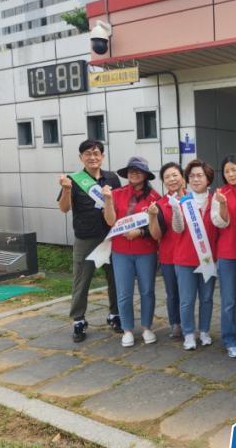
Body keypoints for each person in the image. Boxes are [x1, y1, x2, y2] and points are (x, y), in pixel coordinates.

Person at [57, 139, 122, 343]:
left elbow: (119, 205)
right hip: (85, 238)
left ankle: (115, 314)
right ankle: (78, 320)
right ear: (81, 157)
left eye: (96, 153)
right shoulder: (73, 180)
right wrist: (66, 190)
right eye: (88, 154)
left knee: (115, 278)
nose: (92, 157)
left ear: (102, 156)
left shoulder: (112, 178)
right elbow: (64, 208)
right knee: (81, 280)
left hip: (110, 236)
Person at [102, 156, 161, 347]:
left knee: (147, 291)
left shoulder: (155, 198)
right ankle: (127, 329)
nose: (134, 173)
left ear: (146, 175)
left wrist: (141, 232)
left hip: (146, 251)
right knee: (124, 292)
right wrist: (108, 200)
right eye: (131, 170)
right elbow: (110, 221)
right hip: (120, 251)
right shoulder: (116, 194)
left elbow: (158, 229)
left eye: (139, 170)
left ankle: (146, 327)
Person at [167, 160, 218, 351]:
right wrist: (175, 210)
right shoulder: (182, 201)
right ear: (187, 180)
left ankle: (204, 331)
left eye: (200, 175)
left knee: (206, 298)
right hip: (185, 259)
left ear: (208, 179)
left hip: (208, 258)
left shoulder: (216, 200)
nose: (196, 179)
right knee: (187, 300)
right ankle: (188, 333)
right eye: (192, 176)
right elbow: (178, 228)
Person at [212, 154, 236, 358]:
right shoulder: (220, 194)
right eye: (227, 171)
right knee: (229, 300)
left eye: (234, 169)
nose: (231, 174)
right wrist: (223, 204)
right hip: (228, 254)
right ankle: (229, 339)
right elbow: (220, 222)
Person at [147, 163, 186, 339]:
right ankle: (175, 324)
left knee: (188, 293)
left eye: (175, 175)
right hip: (169, 256)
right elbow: (156, 235)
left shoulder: (192, 200)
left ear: (182, 177)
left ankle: (189, 324)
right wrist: (152, 216)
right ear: (163, 181)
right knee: (172, 293)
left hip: (189, 256)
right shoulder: (160, 205)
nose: (172, 179)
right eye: (167, 177)